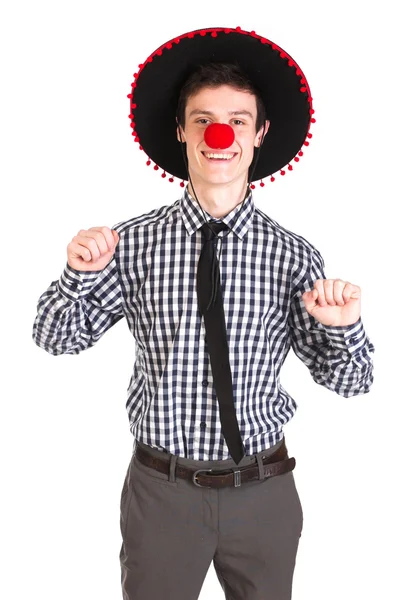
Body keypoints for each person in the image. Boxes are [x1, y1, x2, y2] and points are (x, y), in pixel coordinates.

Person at [32, 26, 375, 600]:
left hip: (263, 495)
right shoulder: (132, 243)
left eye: (238, 120)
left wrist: (344, 330)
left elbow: (354, 381)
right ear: (182, 131)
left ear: (260, 133)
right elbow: (53, 337)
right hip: (162, 494)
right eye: (203, 119)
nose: (221, 133)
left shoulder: (293, 255)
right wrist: (78, 275)